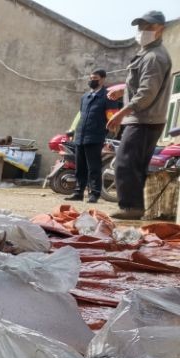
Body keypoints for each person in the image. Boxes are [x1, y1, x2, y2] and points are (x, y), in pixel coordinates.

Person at [106, 10, 173, 220]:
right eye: (141, 26)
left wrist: (121, 113)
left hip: (145, 119)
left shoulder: (154, 57)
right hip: (144, 118)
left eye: (149, 27)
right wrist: (123, 90)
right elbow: (141, 84)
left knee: (125, 163)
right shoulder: (147, 55)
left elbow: (146, 93)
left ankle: (132, 208)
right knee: (132, 164)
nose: (143, 31)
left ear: (160, 28)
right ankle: (133, 207)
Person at [66, 69, 120, 203]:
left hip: (95, 137)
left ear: (102, 79)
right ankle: (78, 192)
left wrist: (109, 134)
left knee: (94, 168)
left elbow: (112, 119)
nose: (91, 80)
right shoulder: (85, 97)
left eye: (94, 78)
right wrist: (73, 131)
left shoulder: (108, 96)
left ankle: (94, 194)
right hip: (80, 136)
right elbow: (81, 116)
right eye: (90, 78)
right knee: (80, 167)